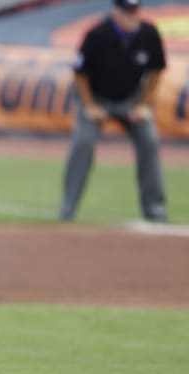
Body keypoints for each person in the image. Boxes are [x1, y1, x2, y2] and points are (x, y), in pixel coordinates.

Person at [60, 0, 168, 222]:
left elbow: (156, 72)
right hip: (96, 97)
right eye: (127, 11)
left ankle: (155, 210)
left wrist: (143, 105)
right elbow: (80, 74)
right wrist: (89, 106)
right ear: (116, 12)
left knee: (149, 141)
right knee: (83, 142)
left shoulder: (148, 33)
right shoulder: (98, 34)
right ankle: (67, 208)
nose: (131, 16)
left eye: (135, 11)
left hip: (131, 98)